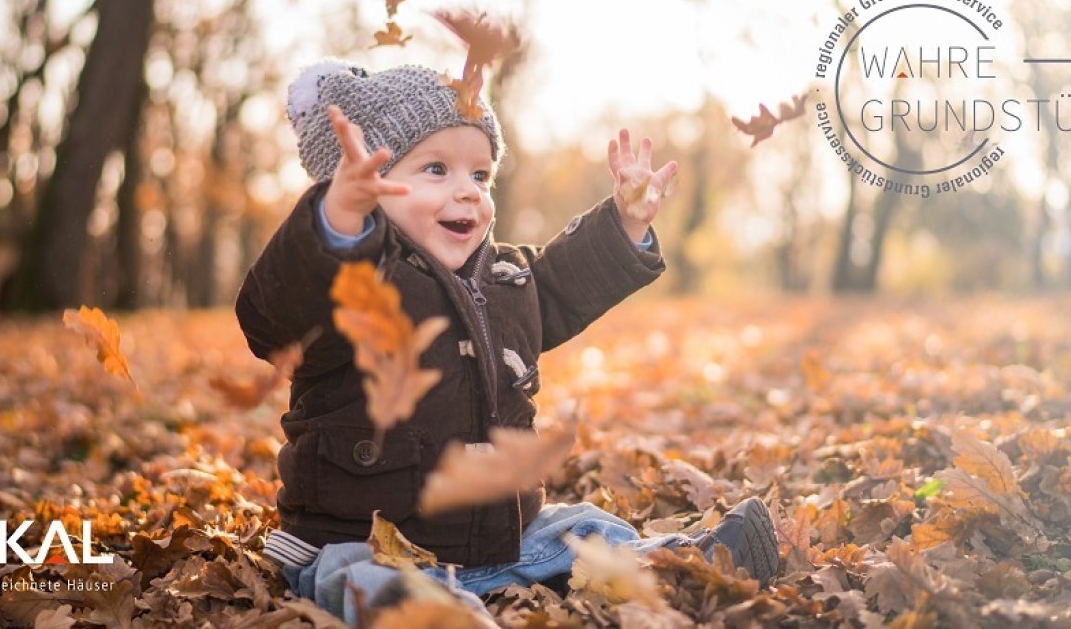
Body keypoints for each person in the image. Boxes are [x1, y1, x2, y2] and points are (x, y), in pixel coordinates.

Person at [235, 60, 779, 623]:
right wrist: (337, 225)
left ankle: (678, 564)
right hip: (361, 539)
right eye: (437, 169)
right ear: (367, 188)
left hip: (498, 537)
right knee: (364, 583)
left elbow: (563, 286)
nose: (468, 193)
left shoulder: (506, 279)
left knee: (583, 529)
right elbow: (273, 318)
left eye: (480, 175)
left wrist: (624, 223)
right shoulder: (351, 284)